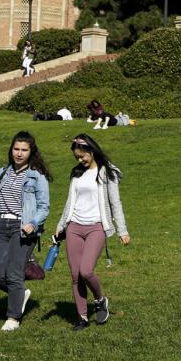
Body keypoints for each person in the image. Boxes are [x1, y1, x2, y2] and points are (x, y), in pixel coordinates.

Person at [0, 131, 52, 331]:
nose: (19, 153)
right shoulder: (2, 172)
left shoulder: (37, 177)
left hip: (23, 230)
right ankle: (20, 294)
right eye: (16, 149)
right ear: (11, 150)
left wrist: (33, 223)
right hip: (1, 227)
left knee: (13, 272)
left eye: (24, 150)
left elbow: (44, 207)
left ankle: (13, 318)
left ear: (31, 152)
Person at [53, 134, 130, 331]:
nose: (80, 160)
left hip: (96, 227)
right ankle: (82, 317)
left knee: (86, 270)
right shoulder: (77, 174)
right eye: (77, 158)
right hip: (74, 228)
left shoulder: (107, 172)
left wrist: (122, 230)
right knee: (75, 275)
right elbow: (71, 202)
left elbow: (115, 203)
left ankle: (99, 300)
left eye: (82, 156)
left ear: (91, 151)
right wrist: (61, 225)